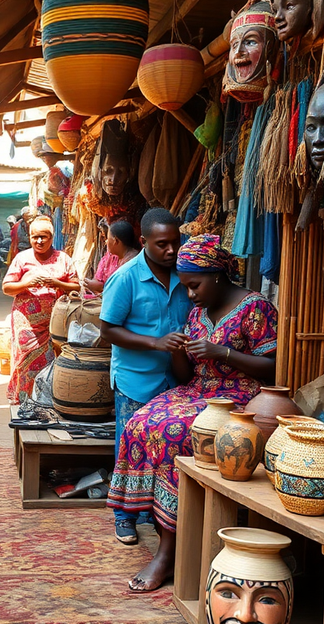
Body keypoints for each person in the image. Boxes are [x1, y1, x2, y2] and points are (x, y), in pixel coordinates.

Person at [107, 234, 278, 592]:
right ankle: (160, 524)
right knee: (139, 422)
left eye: (194, 285)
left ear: (217, 275)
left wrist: (222, 353)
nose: (190, 295)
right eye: (185, 287)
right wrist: (175, 351)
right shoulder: (199, 311)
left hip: (241, 398)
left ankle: (168, 551)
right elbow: (186, 376)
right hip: (198, 391)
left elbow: (275, 368)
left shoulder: (255, 307)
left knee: (173, 431)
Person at [99, 209, 193, 546]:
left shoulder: (184, 275)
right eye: (162, 244)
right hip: (136, 379)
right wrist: (155, 342)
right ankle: (124, 517)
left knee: (164, 451)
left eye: (175, 243)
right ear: (143, 243)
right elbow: (108, 329)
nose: (171, 251)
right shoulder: (125, 278)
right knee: (130, 448)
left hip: (176, 379)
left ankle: (155, 513)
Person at [2, 216, 79, 403]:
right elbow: (6, 287)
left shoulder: (63, 259)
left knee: (55, 359)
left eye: (43, 237)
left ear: (51, 238)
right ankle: (24, 398)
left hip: (56, 321)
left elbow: (76, 286)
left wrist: (57, 283)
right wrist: (26, 283)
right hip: (27, 321)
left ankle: (48, 399)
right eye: (35, 237)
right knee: (25, 359)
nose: (39, 241)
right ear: (29, 237)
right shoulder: (22, 258)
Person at [88, 219, 142, 293]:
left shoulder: (131, 263)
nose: (106, 242)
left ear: (116, 241)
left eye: (108, 238)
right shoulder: (117, 258)